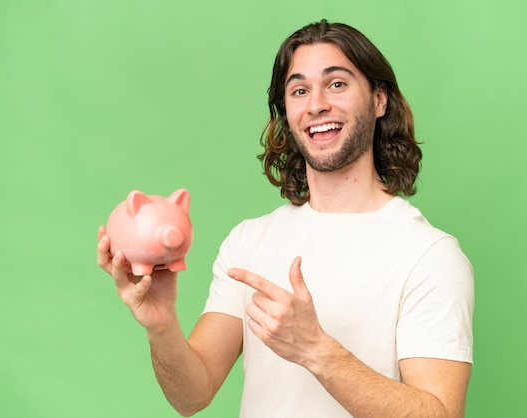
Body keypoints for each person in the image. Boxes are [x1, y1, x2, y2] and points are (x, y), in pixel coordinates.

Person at [97, 19, 474, 418]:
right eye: (299, 90)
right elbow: (192, 397)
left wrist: (315, 349)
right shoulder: (249, 241)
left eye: (337, 84)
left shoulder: (429, 255)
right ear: (287, 113)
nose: (316, 105)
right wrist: (161, 327)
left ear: (379, 100)